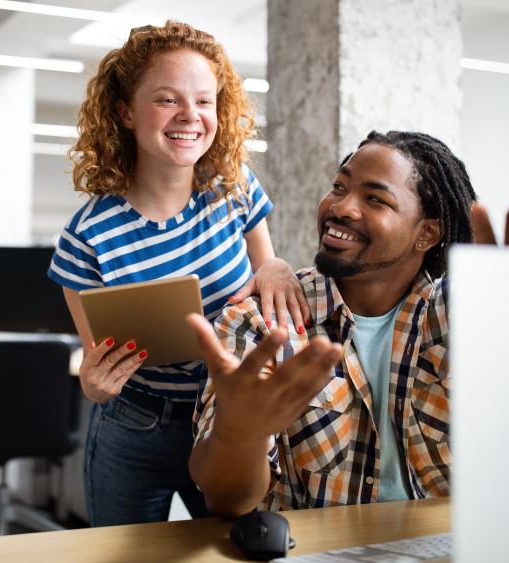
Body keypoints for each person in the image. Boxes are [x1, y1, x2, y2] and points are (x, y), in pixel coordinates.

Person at [48, 21, 308, 526]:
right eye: (168, 99)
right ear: (125, 113)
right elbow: (95, 366)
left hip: (225, 419)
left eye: (205, 101)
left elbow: (264, 272)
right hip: (134, 425)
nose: (191, 115)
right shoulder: (87, 236)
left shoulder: (234, 189)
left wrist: (276, 266)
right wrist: (96, 384)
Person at [189, 130, 477, 515]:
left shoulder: (465, 317)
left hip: (447, 555)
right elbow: (225, 499)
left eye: (375, 198)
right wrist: (241, 432)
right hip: (313, 559)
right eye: (339, 187)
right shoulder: (260, 324)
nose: (342, 207)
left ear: (426, 233)